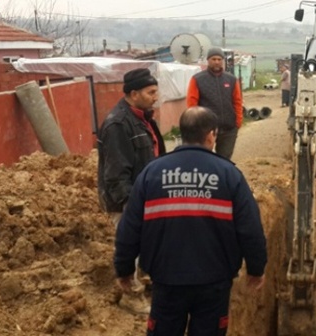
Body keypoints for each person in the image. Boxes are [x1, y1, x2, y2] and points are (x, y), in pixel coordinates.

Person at [114, 106, 268, 336]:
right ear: (211, 135)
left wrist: (124, 269)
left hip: (166, 280)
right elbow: (250, 229)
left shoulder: (151, 173)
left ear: (183, 132)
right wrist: (256, 268)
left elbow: (130, 227)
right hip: (214, 282)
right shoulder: (229, 174)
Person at [97, 67, 165, 314]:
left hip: (146, 195)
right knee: (130, 246)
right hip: (128, 199)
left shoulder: (143, 117)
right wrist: (130, 207)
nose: (155, 96)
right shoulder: (118, 124)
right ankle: (131, 295)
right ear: (134, 93)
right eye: (151, 92)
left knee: (149, 242)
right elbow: (115, 175)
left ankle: (146, 282)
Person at [187, 47, 243, 160]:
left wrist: (238, 122)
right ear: (208, 60)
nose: (216, 62)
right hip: (206, 128)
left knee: (225, 159)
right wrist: (195, 124)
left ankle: (222, 177)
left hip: (229, 128)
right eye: (213, 59)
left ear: (222, 60)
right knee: (204, 158)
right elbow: (192, 103)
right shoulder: (198, 79)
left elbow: (237, 101)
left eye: (219, 59)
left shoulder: (231, 79)